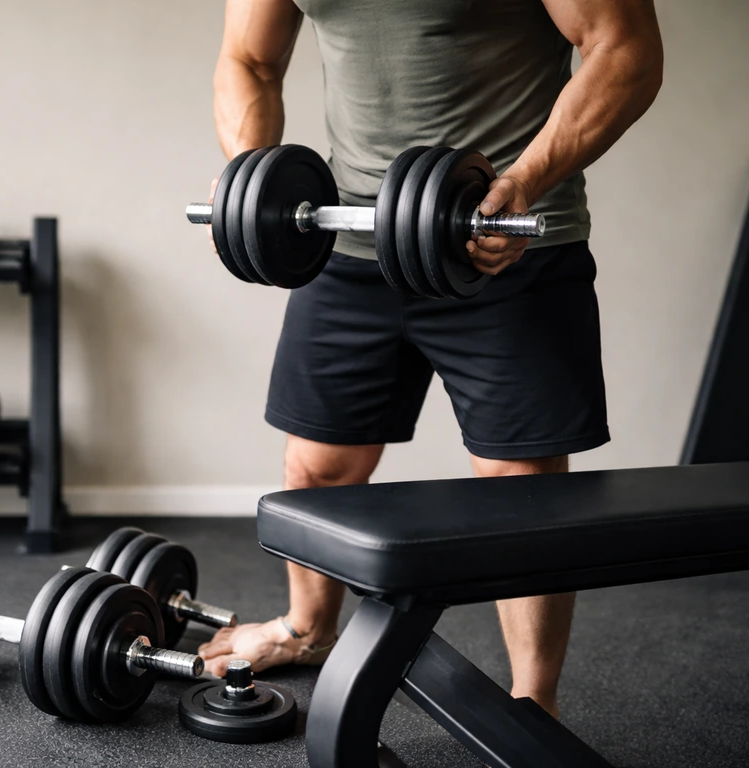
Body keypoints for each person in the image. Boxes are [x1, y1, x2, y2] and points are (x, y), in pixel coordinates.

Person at [196, 0, 663, 718]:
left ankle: (532, 701)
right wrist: (251, 180)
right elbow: (249, 60)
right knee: (318, 468)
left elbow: (624, 49)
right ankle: (307, 628)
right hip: (348, 242)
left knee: (519, 486)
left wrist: (524, 183)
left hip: (501, 246)